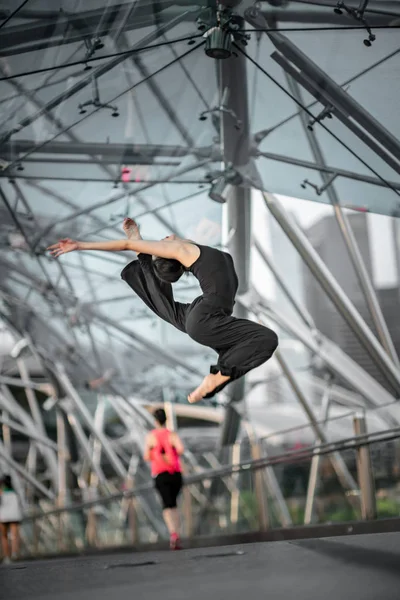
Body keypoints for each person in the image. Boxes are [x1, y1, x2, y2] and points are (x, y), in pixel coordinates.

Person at [48, 218, 278, 402]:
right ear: (171, 253)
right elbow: (126, 245)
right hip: (207, 317)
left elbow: (199, 234)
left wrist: (140, 244)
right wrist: (80, 245)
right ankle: (219, 374)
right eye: (161, 246)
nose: (163, 240)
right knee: (266, 338)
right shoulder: (182, 250)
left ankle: (219, 375)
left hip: (203, 319)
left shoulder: (193, 251)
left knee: (172, 311)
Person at [143, 408, 184, 550]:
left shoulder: (151, 437)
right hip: (175, 473)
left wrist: (156, 453)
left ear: (155, 421)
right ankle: (177, 533)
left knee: (167, 506)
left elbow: (146, 456)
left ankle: (173, 534)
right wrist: (169, 453)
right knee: (174, 504)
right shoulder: (172, 435)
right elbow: (180, 449)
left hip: (160, 473)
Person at [0, 475, 22, 564]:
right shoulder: (15, 493)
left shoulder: (1, 492)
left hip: (3, 516)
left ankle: (7, 556)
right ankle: (14, 553)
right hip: (14, 515)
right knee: (14, 536)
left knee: (4, 537)